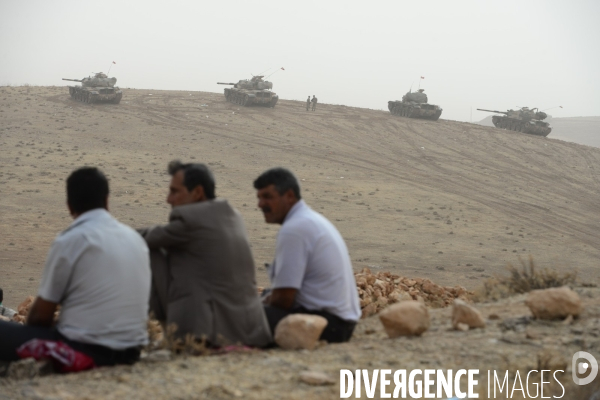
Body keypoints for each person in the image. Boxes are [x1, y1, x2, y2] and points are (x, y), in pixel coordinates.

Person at [0, 167, 151, 366]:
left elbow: (38, 318)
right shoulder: (135, 239)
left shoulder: (71, 240)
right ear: (106, 200)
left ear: (70, 206)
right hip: (131, 352)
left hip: (88, 353)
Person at [138, 161, 271, 347]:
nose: (169, 199)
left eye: (175, 192)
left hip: (214, 333)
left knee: (150, 249)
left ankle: (171, 333)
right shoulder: (231, 214)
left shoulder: (190, 219)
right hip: (250, 329)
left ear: (198, 192)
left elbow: (147, 237)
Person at [254, 167, 360, 343]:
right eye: (259, 197)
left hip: (327, 326)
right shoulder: (308, 219)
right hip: (341, 323)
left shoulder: (294, 229)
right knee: (261, 299)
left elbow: (284, 299)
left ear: (289, 196)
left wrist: (258, 305)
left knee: (242, 315)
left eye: (267, 197)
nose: (260, 204)